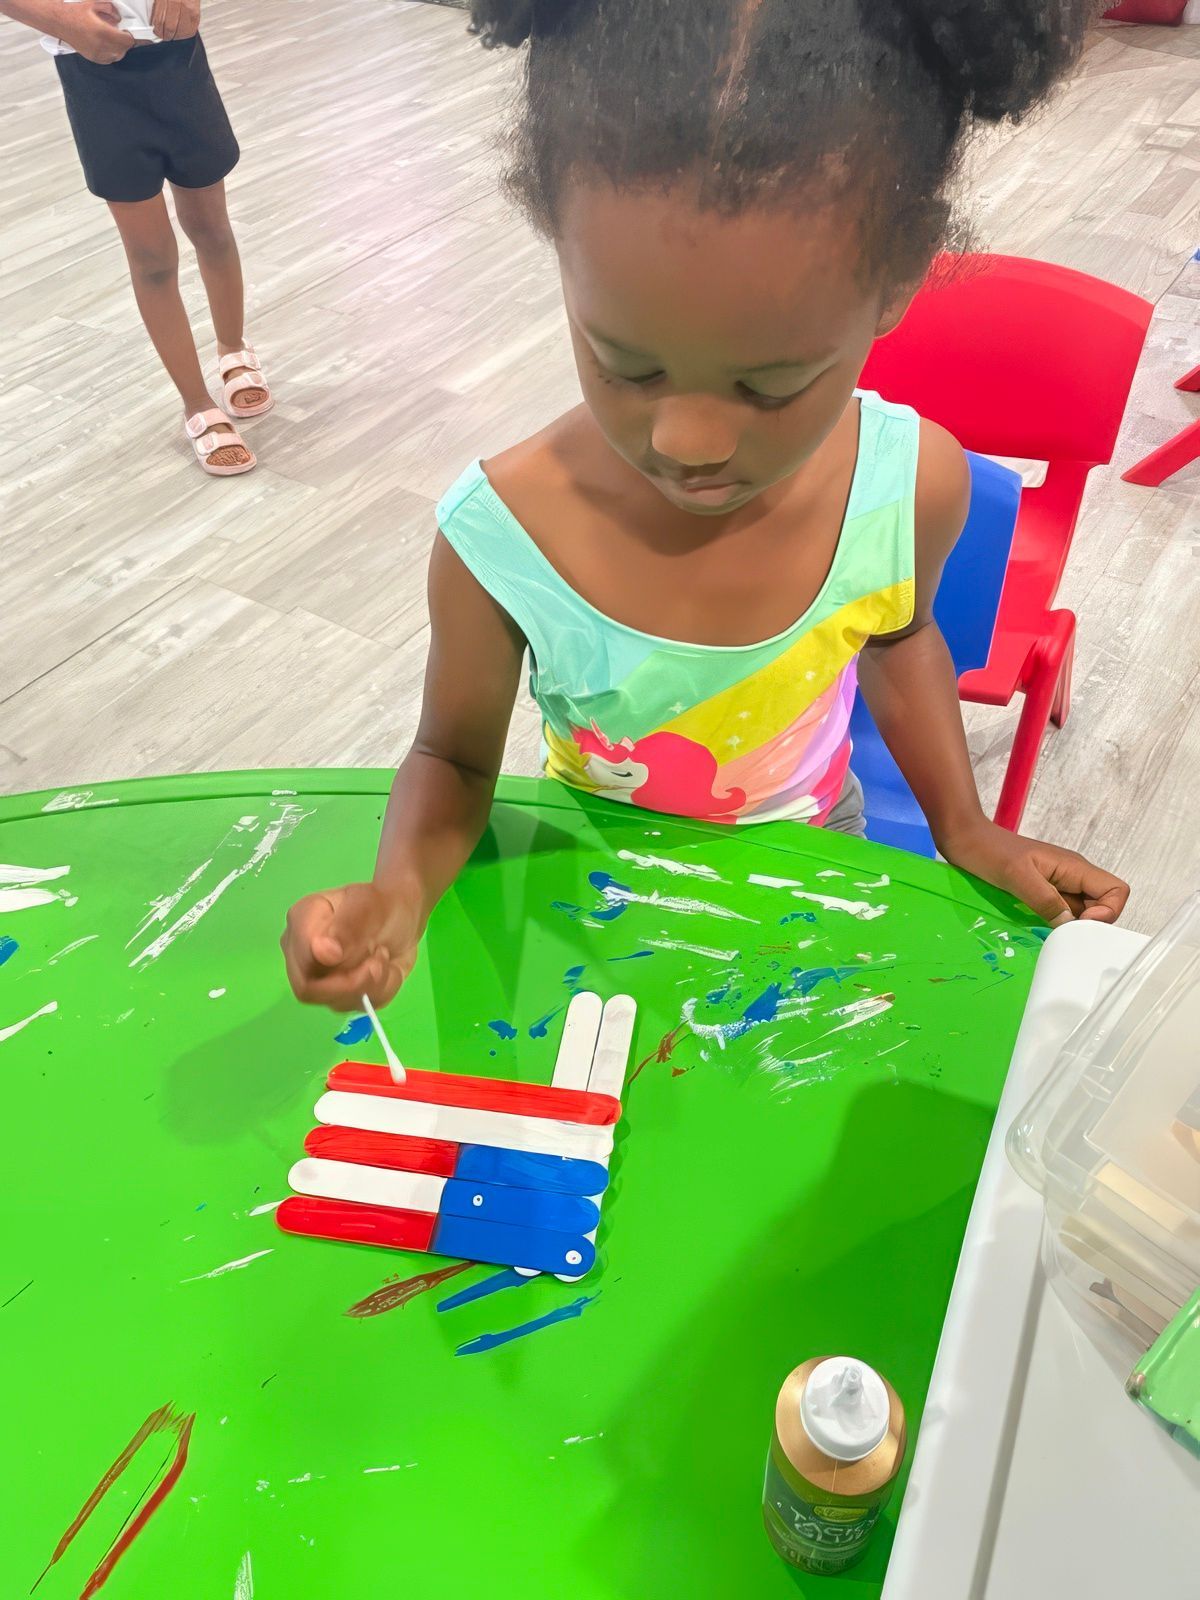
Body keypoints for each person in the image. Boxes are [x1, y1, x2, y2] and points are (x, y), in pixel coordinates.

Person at [282, 0, 1128, 1011]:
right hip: (587, 884)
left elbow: (900, 642)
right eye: (625, 362)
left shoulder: (910, 488)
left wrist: (966, 827)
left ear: (901, 278)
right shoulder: (499, 539)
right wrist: (400, 891)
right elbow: (452, 754)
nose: (686, 442)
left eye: (769, 386)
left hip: (816, 862)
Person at [1, 0, 271, 474]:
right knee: (151, 257)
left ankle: (232, 347)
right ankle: (196, 401)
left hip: (178, 54)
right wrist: (58, 19)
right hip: (91, 72)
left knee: (211, 228)